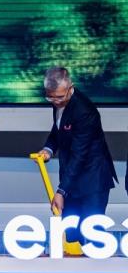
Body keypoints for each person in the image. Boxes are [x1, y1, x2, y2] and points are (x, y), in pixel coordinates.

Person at [37, 66, 117, 247]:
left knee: (92, 236)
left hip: (92, 180)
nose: (56, 102)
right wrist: (48, 149)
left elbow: (79, 154)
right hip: (72, 179)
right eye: (51, 97)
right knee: (71, 234)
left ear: (70, 88)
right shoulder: (59, 102)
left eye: (60, 97)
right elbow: (59, 128)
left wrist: (61, 191)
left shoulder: (84, 111)